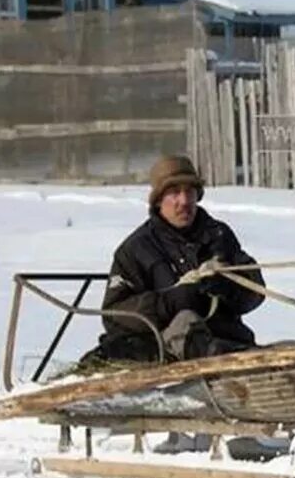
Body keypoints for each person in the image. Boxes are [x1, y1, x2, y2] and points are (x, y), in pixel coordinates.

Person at [94, 155, 266, 364]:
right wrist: (171, 302)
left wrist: (228, 287)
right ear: (158, 200)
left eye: (190, 192)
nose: (184, 201)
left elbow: (256, 289)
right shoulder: (135, 249)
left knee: (293, 349)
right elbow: (113, 315)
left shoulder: (218, 235)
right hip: (171, 351)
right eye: (175, 193)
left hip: (230, 341)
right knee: (186, 321)